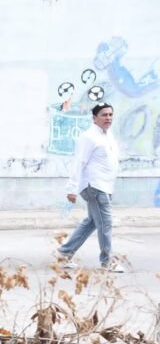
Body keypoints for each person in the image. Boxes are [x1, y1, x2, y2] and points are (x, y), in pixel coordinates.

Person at [57, 102, 124, 272]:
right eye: (104, 115)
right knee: (105, 223)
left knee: (92, 222)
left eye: (110, 114)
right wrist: (71, 189)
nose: (108, 118)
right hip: (94, 186)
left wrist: (111, 189)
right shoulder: (89, 137)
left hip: (104, 187)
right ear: (94, 118)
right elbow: (79, 162)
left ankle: (64, 254)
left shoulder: (108, 135)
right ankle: (107, 261)